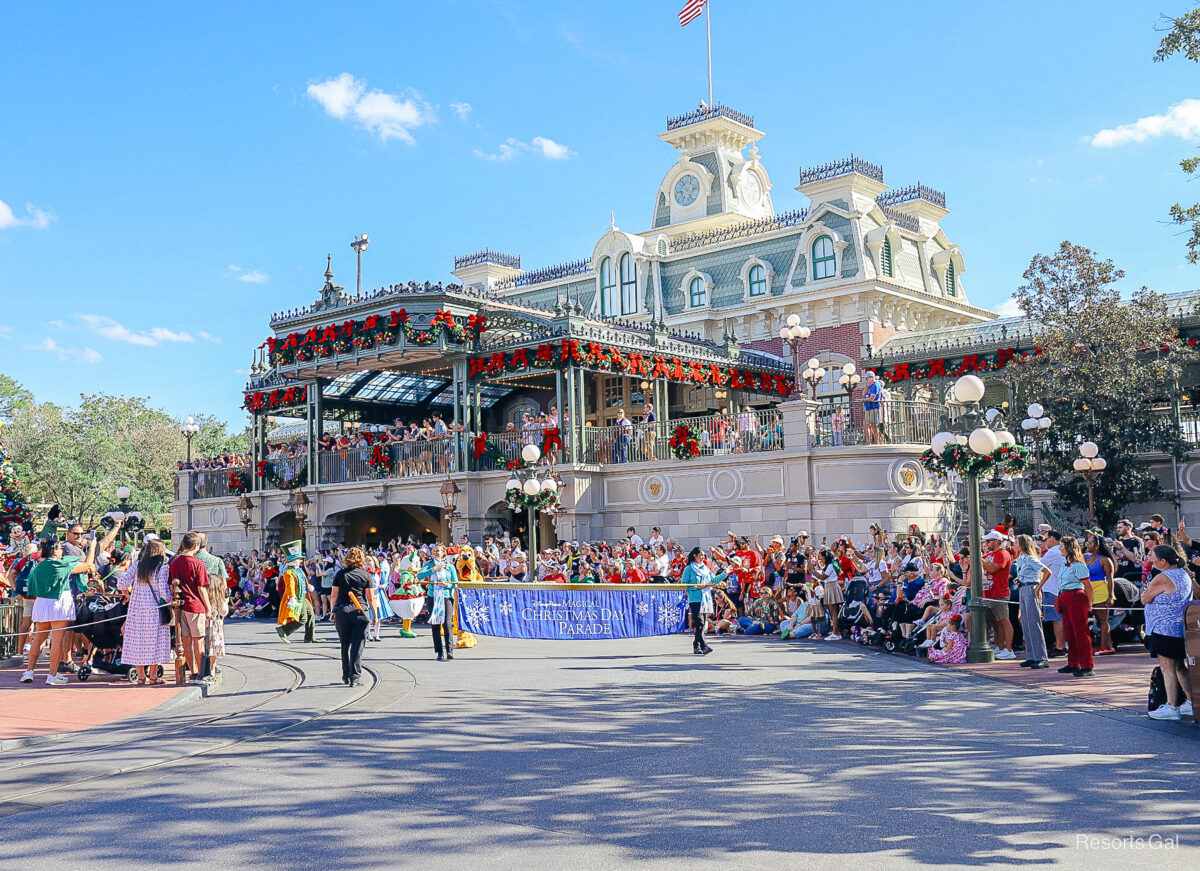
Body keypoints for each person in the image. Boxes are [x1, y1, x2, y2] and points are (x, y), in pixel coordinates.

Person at [21, 535, 97, 685]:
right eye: (59, 548)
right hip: (60, 601)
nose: (62, 550)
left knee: (38, 639)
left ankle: (28, 672)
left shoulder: (39, 565)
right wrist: (92, 547)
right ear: (54, 551)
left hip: (42, 602)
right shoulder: (62, 565)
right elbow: (88, 564)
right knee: (57, 640)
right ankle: (52, 675)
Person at [1142, 545, 1195, 720]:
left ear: (1162, 561)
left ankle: (1172, 707)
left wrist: (1146, 591)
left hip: (1163, 627)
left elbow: (1145, 598)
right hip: (1178, 627)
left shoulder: (1162, 577)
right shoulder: (1183, 573)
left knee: (1167, 667)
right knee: (1179, 666)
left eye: (1153, 556)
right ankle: (1190, 702)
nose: (1150, 558)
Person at [117, 538, 173, 685]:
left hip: (136, 610)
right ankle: (153, 676)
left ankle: (141, 676)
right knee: (155, 642)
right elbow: (164, 594)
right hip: (154, 610)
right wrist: (172, 600)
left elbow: (122, 581)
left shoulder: (138, 565)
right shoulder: (161, 569)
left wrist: (126, 593)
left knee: (137, 643)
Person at [169, 532, 215, 683]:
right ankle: (202, 674)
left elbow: (171, 585)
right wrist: (208, 608)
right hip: (195, 606)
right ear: (195, 546)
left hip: (180, 606)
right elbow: (202, 588)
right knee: (199, 640)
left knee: (186, 640)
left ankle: (193, 672)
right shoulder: (197, 564)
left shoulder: (174, 563)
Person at [331, 546, 375, 686]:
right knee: (358, 645)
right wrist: (375, 615)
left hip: (343, 611)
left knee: (345, 644)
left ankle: (345, 675)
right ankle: (355, 677)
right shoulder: (366, 575)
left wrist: (333, 611)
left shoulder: (340, 574)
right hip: (360, 611)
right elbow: (371, 598)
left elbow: (333, 596)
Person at [1054, 536, 1094, 678]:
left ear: (1069, 547)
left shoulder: (1078, 565)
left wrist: (1089, 604)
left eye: (1062, 546)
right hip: (1065, 597)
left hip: (1076, 598)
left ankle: (1087, 665)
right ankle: (1073, 662)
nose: (1060, 548)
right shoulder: (1065, 564)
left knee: (1080, 632)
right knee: (1069, 632)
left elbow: (1088, 586)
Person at [1012, 534, 1050, 669]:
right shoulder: (1021, 558)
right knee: (1026, 622)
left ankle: (1041, 657)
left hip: (1031, 588)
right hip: (1023, 588)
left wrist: (1038, 588)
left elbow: (1047, 572)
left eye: (1016, 542)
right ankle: (1031, 656)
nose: (1014, 545)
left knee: (1034, 623)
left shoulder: (1030, 558)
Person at [419, 545, 459, 661]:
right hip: (433, 596)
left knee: (447, 623)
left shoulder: (450, 566)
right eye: (434, 551)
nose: (436, 553)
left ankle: (449, 650)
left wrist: (447, 584)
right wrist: (434, 569)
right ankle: (439, 651)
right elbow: (420, 575)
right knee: (435, 623)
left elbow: (455, 583)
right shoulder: (430, 564)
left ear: (443, 553)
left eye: (438, 551)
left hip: (446, 596)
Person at [276, 540, 320, 644]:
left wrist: (309, 586)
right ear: (294, 561)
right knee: (303, 618)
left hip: (304, 596)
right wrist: (292, 598)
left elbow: (304, 581)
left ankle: (310, 638)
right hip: (297, 598)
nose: (301, 561)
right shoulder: (288, 572)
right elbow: (290, 586)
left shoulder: (299, 570)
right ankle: (283, 630)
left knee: (311, 616)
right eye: (299, 559)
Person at [980, 531, 1015, 660]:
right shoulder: (989, 554)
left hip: (999, 593)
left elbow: (993, 568)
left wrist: (981, 560)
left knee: (1003, 620)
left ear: (996, 541)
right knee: (995, 622)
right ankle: (1000, 647)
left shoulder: (1003, 554)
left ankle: (1009, 649)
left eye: (988, 541)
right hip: (989, 592)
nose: (986, 544)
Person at [681, 546, 719, 654]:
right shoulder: (689, 568)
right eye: (700, 555)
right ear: (695, 555)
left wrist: (726, 572)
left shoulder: (705, 568)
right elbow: (684, 584)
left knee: (702, 624)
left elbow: (714, 579)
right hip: (695, 599)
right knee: (700, 622)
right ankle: (704, 646)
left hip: (705, 598)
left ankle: (696, 645)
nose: (702, 557)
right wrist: (697, 587)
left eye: (703, 555)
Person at [1038, 530, 1066, 657]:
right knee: (1056, 619)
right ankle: (1060, 645)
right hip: (1055, 589)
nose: (1045, 541)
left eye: (1046, 538)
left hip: (1053, 590)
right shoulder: (1058, 551)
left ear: (1053, 539)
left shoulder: (1054, 551)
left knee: (1056, 619)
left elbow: (1038, 565)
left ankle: (1060, 646)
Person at [862, 371, 884, 445]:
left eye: (867, 378)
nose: (866, 380)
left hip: (874, 407)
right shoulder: (870, 386)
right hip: (868, 408)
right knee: (865, 425)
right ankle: (869, 442)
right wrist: (867, 386)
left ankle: (877, 442)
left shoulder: (875, 385)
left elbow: (872, 398)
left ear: (871, 378)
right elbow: (863, 394)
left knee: (874, 426)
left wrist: (863, 400)